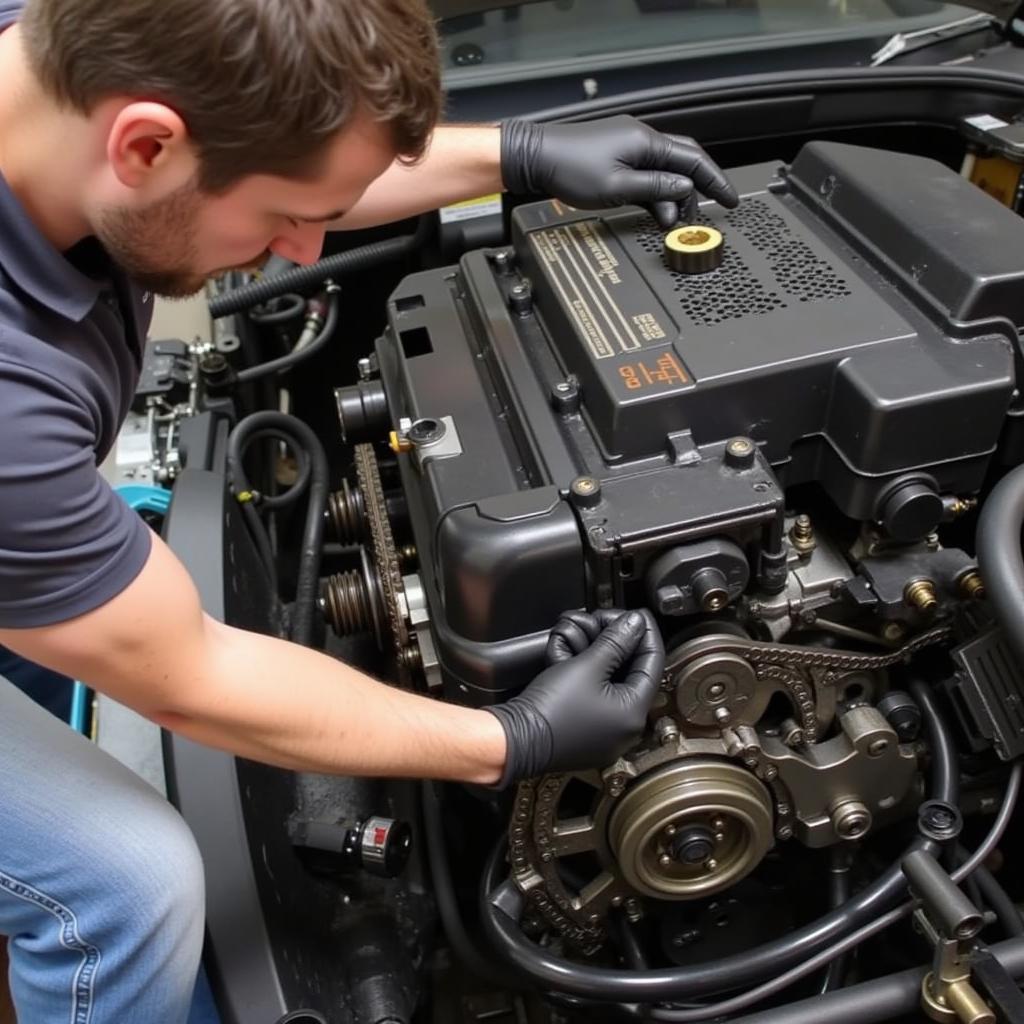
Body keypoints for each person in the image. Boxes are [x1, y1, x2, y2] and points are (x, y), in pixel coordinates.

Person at [0, 0, 738, 1020]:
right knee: (124, 880)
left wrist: (525, 153)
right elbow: (189, 673)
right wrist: (508, 738)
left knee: (52, 630)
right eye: (280, 220)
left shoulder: (53, 58)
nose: (303, 254)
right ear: (144, 146)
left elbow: (290, 163)